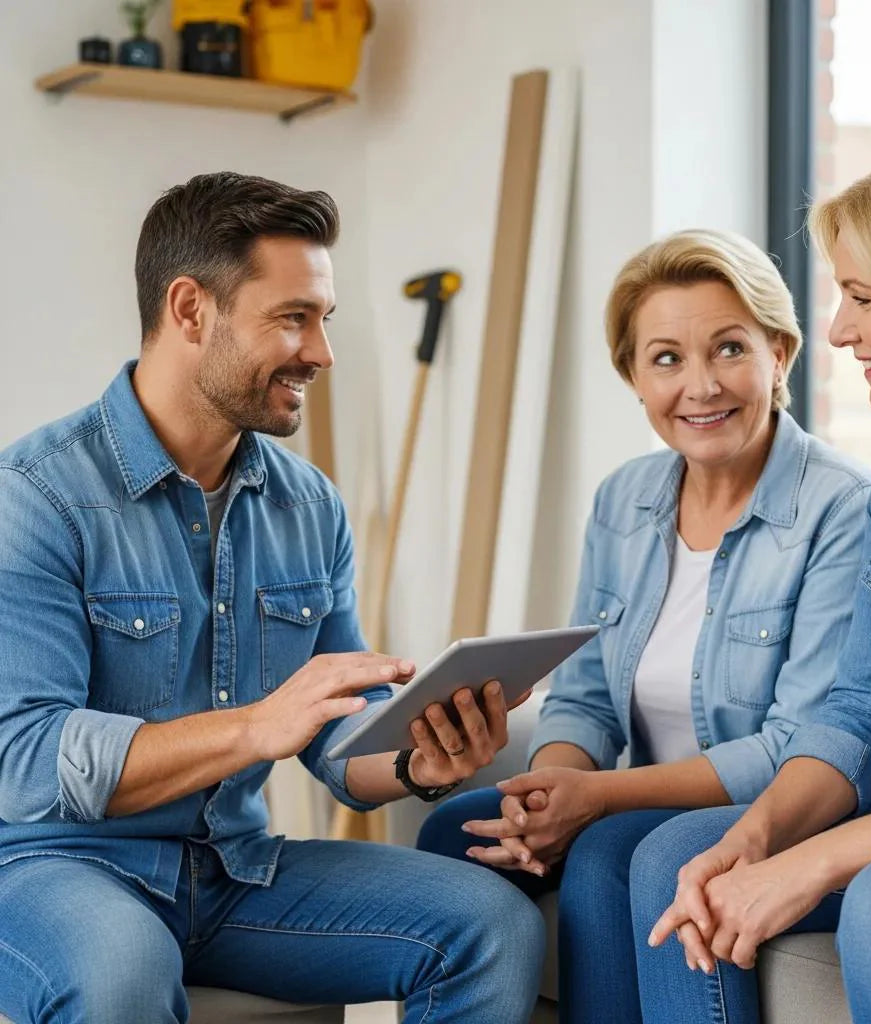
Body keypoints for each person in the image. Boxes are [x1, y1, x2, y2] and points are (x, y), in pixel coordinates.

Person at [0, 171, 545, 1024]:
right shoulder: (36, 498)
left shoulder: (308, 505)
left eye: (322, 319)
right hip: (52, 868)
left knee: (489, 924)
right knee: (122, 968)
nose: (321, 352)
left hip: (233, 871)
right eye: (293, 318)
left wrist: (414, 759)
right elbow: (25, 759)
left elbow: (333, 737)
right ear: (190, 310)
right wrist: (254, 725)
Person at [416, 229, 871, 1023]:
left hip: (782, 809)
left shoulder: (842, 507)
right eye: (665, 359)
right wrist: (544, 792)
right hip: (638, 799)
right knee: (460, 828)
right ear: (632, 375)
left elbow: (794, 748)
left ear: (781, 354)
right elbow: (586, 696)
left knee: (604, 852)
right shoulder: (624, 500)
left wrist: (593, 798)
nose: (700, 387)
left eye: (729, 349)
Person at [633, 138, 871, 1024]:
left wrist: (821, 860)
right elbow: (859, 714)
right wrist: (759, 836)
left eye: (861, 297)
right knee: (680, 860)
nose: (840, 331)